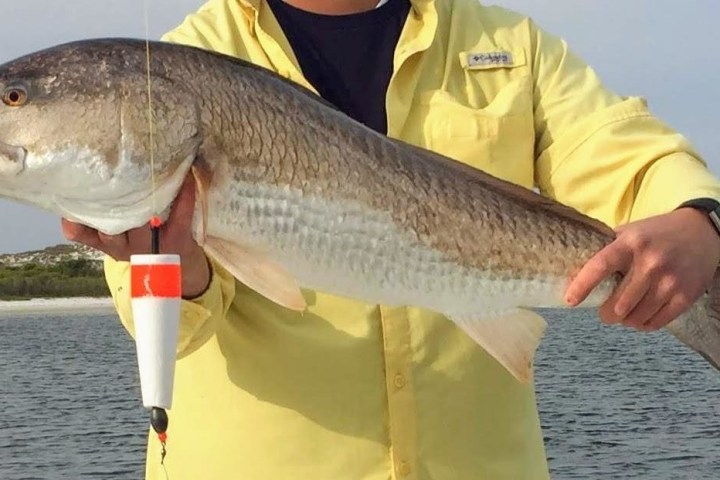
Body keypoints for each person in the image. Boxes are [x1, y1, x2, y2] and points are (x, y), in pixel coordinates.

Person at [62, 0, 720, 478]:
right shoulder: (180, 62)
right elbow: (168, 329)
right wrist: (183, 269)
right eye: (17, 97)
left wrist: (696, 218)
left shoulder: (511, 46)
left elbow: (618, 145)